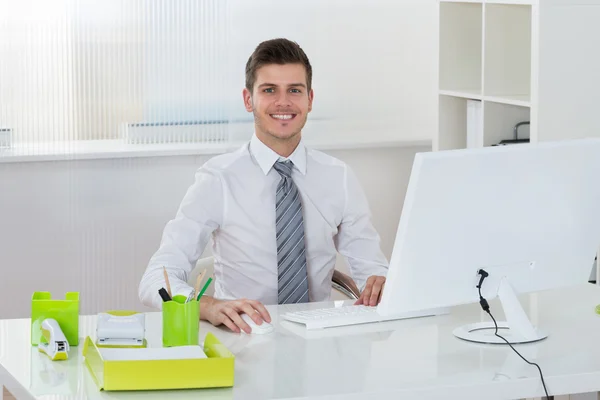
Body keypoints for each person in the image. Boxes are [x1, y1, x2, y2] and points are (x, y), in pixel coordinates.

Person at [138, 38, 388, 334]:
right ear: (248, 99)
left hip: (319, 340)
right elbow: (155, 278)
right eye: (269, 90)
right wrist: (207, 305)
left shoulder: (339, 177)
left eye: (294, 90)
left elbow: (372, 269)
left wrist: (381, 283)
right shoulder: (218, 179)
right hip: (244, 339)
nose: (283, 102)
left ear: (310, 99)